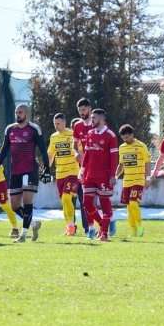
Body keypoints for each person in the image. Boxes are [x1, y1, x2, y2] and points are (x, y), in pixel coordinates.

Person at [0, 104, 50, 243]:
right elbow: (4, 148)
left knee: (27, 202)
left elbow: (43, 150)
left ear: (26, 114)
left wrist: (47, 168)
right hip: (15, 171)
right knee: (14, 205)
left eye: (20, 112)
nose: (17, 114)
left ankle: (24, 234)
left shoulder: (34, 129)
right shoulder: (10, 129)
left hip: (30, 170)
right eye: (16, 112)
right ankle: (33, 224)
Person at [79, 108, 118, 241]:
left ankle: (104, 234)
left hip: (104, 176)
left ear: (101, 119)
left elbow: (114, 157)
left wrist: (113, 175)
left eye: (94, 118)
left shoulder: (110, 136)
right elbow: (87, 154)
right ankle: (102, 225)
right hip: (90, 175)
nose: (91, 120)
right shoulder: (90, 133)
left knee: (105, 204)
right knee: (87, 203)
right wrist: (82, 170)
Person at [47, 113, 81, 236]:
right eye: (55, 123)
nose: (56, 126)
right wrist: (46, 168)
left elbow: (80, 150)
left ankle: (71, 226)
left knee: (67, 197)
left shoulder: (72, 134)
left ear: (64, 122)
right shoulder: (53, 137)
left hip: (72, 172)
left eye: (58, 123)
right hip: (59, 173)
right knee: (64, 200)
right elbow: (51, 154)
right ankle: (69, 226)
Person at [116, 124, 151, 238]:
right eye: (123, 138)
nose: (125, 140)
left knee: (133, 203)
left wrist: (148, 178)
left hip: (138, 180)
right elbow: (121, 165)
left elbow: (147, 163)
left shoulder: (141, 146)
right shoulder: (122, 148)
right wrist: (115, 176)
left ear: (132, 135)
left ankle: (140, 226)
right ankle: (133, 230)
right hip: (127, 181)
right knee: (129, 207)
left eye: (127, 137)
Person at [71, 97, 93, 234]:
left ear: (89, 108)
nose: (82, 113)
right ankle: (88, 229)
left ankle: (107, 222)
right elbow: (74, 144)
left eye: (84, 110)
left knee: (100, 198)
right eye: (80, 110)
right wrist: (75, 153)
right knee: (84, 198)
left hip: (99, 166)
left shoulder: (97, 123)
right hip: (84, 167)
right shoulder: (77, 126)